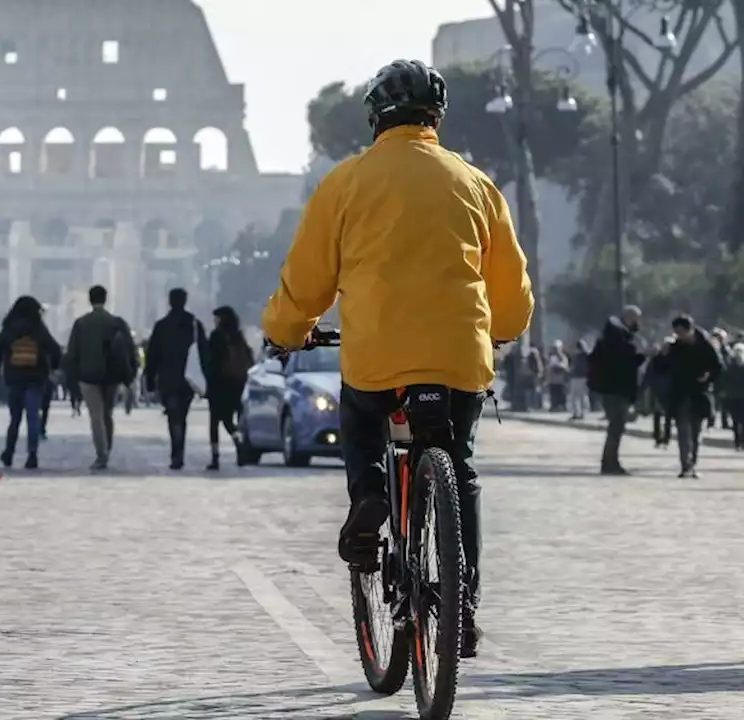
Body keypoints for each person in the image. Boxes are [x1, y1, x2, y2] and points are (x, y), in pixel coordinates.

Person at [260, 60, 534, 658]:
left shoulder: (346, 182)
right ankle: (462, 606)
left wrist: (285, 331)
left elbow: (308, 282)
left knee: (361, 417)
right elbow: (511, 291)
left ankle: (369, 497)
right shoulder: (475, 183)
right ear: (436, 118)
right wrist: (505, 330)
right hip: (460, 358)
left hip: (378, 355)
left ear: (373, 119)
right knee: (458, 466)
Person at [62, 285, 137, 470]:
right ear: (106, 299)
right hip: (112, 375)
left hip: (88, 376)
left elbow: (72, 353)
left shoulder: (81, 324)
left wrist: (71, 378)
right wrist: (130, 374)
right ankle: (107, 447)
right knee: (107, 414)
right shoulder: (116, 322)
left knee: (96, 416)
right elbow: (130, 349)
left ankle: (101, 454)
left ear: (90, 299)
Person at [0, 296, 60, 469]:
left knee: (15, 419)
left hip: (15, 379)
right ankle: (32, 454)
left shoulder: (10, 328)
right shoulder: (38, 329)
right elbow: (55, 350)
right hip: (36, 378)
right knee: (33, 417)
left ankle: (9, 453)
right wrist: (52, 368)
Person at [145, 288, 209, 470]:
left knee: (174, 416)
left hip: (168, 378)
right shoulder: (195, 325)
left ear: (170, 302)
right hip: (189, 378)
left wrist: (149, 378)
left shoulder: (162, 326)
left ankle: (176, 453)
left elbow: (153, 355)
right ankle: (179, 450)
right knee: (183, 415)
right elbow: (204, 352)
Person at [588, 305, 647, 475]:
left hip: (614, 388)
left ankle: (610, 461)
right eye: (636, 319)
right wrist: (644, 355)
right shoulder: (615, 337)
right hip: (614, 389)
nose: (638, 323)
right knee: (616, 426)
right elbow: (623, 362)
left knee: (616, 427)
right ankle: (610, 463)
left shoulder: (616, 335)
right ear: (629, 318)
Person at [666, 315, 722, 478]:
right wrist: (663, 354)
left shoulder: (706, 345)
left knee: (695, 433)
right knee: (683, 431)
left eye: (681, 332)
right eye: (676, 333)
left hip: (699, 393)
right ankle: (686, 465)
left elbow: (718, 366)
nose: (679, 336)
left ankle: (692, 463)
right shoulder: (675, 347)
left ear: (690, 330)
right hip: (680, 393)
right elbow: (664, 368)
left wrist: (708, 376)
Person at [205, 306, 252, 470]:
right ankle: (239, 446)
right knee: (229, 420)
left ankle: (215, 456)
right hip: (235, 385)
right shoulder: (238, 337)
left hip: (218, 384)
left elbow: (210, 360)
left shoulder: (216, 336)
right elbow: (249, 359)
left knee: (215, 422)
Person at [719, 342, 744, 451]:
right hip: (733, 396)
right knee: (735, 420)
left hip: (738, 396)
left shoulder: (731, 366)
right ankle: (738, 441)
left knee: (740, 420)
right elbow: (724, 380)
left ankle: (740, 441)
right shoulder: (729, 366)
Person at [567, 339, 590, 420]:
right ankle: (579, 413)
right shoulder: (584, 356)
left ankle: (579, 413)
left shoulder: (582, 356)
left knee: (579, 396)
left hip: (580, 377)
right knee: (580, 396)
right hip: (580, 377)